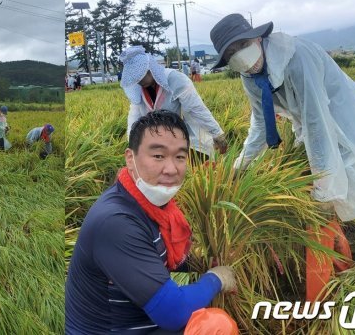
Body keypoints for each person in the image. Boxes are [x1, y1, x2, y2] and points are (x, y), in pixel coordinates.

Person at [65, 110, 238, 335]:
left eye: (180, 157)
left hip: (140, 322)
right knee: (215, 326)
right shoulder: (116, 223)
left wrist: (204, 260)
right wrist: (216, 279)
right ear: (130, 159)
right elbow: (173, 312)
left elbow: (157, 254)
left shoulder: (153, 206)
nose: (171, 169)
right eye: (158, 156)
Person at [210, 13, 355, 221]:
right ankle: (337, 218)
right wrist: (240, 165)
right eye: (231, 53)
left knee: (354, 181)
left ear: (258, 37)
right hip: (312, 125)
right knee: (331, 185)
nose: (240, 56)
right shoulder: (249, 76)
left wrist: (323, 191)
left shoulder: (296, 57)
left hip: (345, 120)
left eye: (243, 44)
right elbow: (261, 123)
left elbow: (316, 123)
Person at [120, 46, 227, 157]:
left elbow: (196, 108)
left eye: (141, 75)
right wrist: (132, 144)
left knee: (195, 162)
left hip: (186, 134)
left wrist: (216, 133)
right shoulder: (138, 90)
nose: (140, 81)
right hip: (158, 140)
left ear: (150, 68)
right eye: (135, 78)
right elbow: (134, 117)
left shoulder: (174, 79)